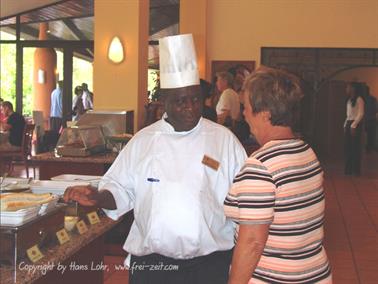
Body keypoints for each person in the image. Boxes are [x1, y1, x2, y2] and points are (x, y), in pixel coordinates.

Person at [64, 34, 247, 284]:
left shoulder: (224, 141)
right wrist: (97, 196)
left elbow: (245, 201)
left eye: (195, 99)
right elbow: (119, 188)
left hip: (210, 265)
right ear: (164, 101)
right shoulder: (143, 141)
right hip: (153, 266)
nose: (191, 108)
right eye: (181, 101)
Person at [224, 67, 332, 284]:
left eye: (246, 107)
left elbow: (252, 242)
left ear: (265, 114)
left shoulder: (261, 166)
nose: (244, 114)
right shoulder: (305, 151)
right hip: (314, 273)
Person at [344, 82, 364, 175]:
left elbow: (360, 114)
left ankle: (356, 171)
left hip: (355, 124)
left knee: (355, 147)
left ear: (353, 88)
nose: (347, 89)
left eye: (348, 87)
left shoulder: (359, 99)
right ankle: (348, 170)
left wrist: (353, 125)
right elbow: (348, 115)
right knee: (348, 148)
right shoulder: (349, 100)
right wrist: (345, 125)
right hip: (349, 123)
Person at [362, 84, 377, 152]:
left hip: (370, 120)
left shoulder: (372, 99)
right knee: (367, 136)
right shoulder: (361, 99)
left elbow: (376, 109)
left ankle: (369, 148)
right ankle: (368, 148)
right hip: (364, 120)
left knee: (370, 136)